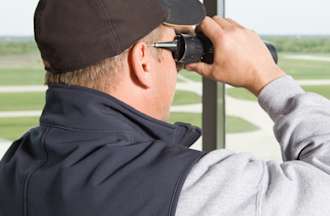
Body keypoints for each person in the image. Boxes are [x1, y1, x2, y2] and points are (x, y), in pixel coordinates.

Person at [1, 0, 330, 215]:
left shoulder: (15, 166)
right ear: (142, 61)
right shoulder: (191, 189)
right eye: (177, 51)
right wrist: (267, 77)